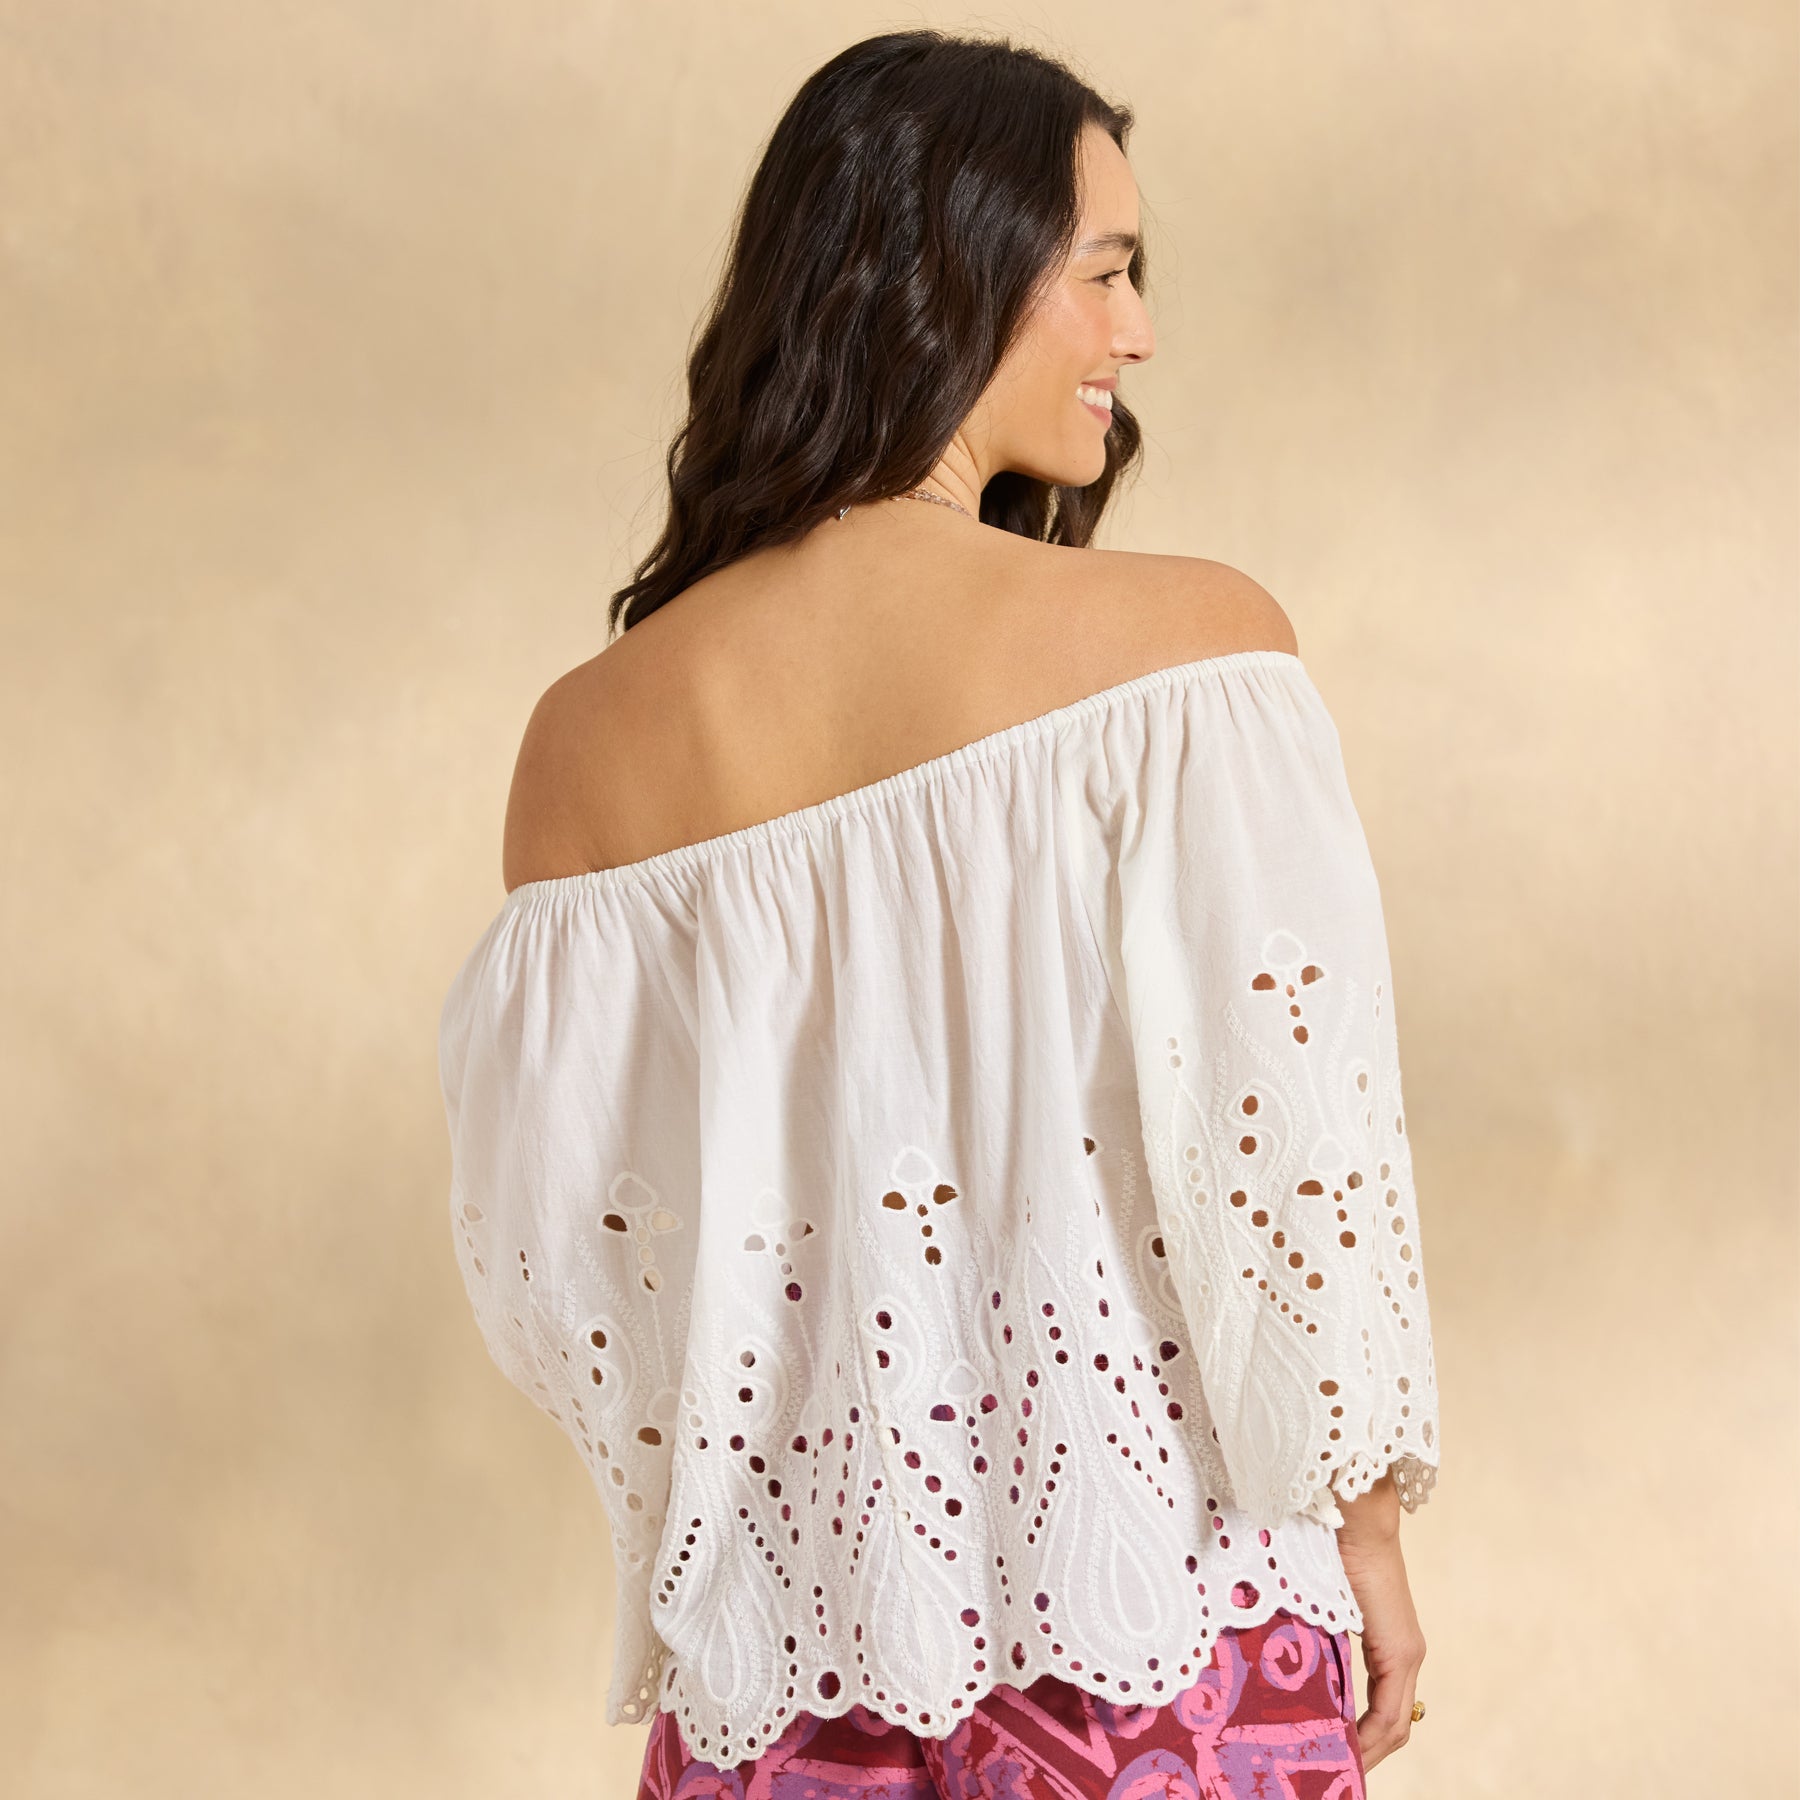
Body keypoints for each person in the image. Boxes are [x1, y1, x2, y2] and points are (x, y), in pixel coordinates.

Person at [438, 29, 1440, 1800]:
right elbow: (1291, 1155)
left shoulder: (581, 750)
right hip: (1160, 1650)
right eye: (1106, 271)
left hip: (772, 1692)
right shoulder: (1188, 657)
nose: (1139, 331)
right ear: (955, 266)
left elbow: (570, 1273)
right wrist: (1363, 1526)